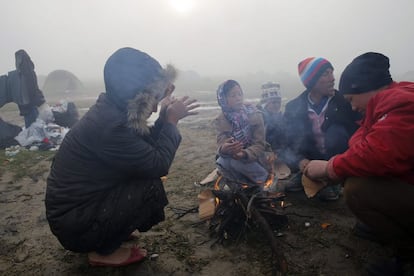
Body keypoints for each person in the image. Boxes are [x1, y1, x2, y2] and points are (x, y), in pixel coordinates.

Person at [45, 47, 199, 267]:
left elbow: (144, 151)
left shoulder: (112, 111)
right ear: (134, 98)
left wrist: (164, 118)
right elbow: (157, 163)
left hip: (77, 214)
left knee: (143, 176)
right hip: (75, 225)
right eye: (151, 100)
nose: (155, 107)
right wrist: (172, 122)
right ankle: (103, 251)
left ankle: (110, 230)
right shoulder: (111, 127)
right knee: (150, 185)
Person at [304, 52, 414, 275]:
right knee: (355, 172)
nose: (352, 107)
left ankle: (408, 257)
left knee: (356, 189)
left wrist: (329, 168)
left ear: (366, 88)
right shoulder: (389, 102)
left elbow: (376, 153)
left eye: (352, 99)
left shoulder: (401, 105)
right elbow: (362, 137)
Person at [283, 57, 360, 200]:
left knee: (336, 132)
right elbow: (287, 141)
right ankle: (307, 174)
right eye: (326, 74)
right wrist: (299, 161)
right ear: (312, 81)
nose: (332, 79)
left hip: (338, 161)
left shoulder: (345, 102)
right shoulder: (294, 107)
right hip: (310, 161)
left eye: (332, 73)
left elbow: (359, 133)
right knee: (297, 132)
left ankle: (335, 178)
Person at [214, 80, 274, 189]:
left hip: (256, 157)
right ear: (223, 100)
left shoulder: (255, 114)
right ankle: (240, 185)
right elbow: (221, 142)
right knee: (222, 161)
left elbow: (260, 144)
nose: (238, 98)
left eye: (239, 94)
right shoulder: (221, 119)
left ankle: (264, 181)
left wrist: (244, 154)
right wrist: (225, 148)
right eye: (233, 95)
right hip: (233, 157)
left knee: (236, 163)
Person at [7, 50, 46, 127]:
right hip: (27, 106)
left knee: (34, 126)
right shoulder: (19, 74)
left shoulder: (27, 72)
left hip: (29, 105)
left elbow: (33, 87)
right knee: (33, 126)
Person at [257, 82, 286, 156]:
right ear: (265, 104)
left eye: (278, 102)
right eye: (273, 102)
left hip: (280, 154)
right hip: (265, 154)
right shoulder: (260, 118)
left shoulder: (281, 117)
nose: (277, 105)